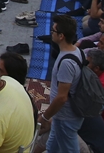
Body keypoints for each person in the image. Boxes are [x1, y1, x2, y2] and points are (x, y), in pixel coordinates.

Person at [41, 15, 85, 153]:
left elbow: (62, 97)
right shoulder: (76, 51)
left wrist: (45, 116)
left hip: (67, 116)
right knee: (52, 147)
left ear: (61, 36)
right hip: (61, 115)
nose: (51, 33)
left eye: (53, 31)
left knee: (69, 150)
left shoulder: (66, 63)